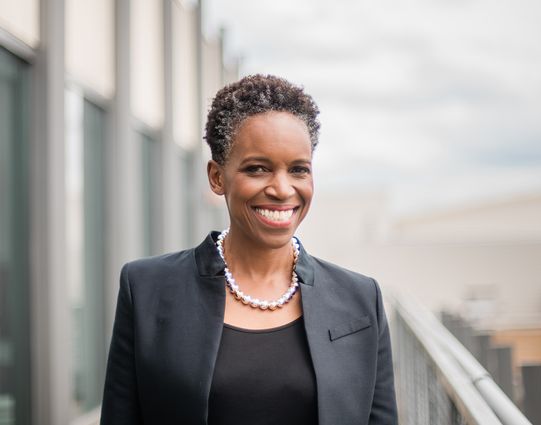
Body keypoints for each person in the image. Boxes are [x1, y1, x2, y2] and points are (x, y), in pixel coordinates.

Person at [100, 74, 398, 425]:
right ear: (217, 177)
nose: (282, 188)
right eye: (258, 169)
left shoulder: (361, 299)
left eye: (298, 170)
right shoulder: (147, 288)